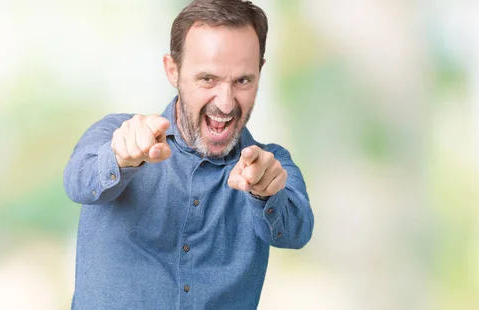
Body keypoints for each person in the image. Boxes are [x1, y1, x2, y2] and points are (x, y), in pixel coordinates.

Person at [63, 0, 314, 308]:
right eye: (208, 79)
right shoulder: (116, 133)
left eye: (243, 80)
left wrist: (266, 195)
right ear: (173, 70)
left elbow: (297, 231)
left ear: (260, 73)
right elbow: (77, 182)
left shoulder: (271, 165)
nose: (225, 103)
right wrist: (119, 157)